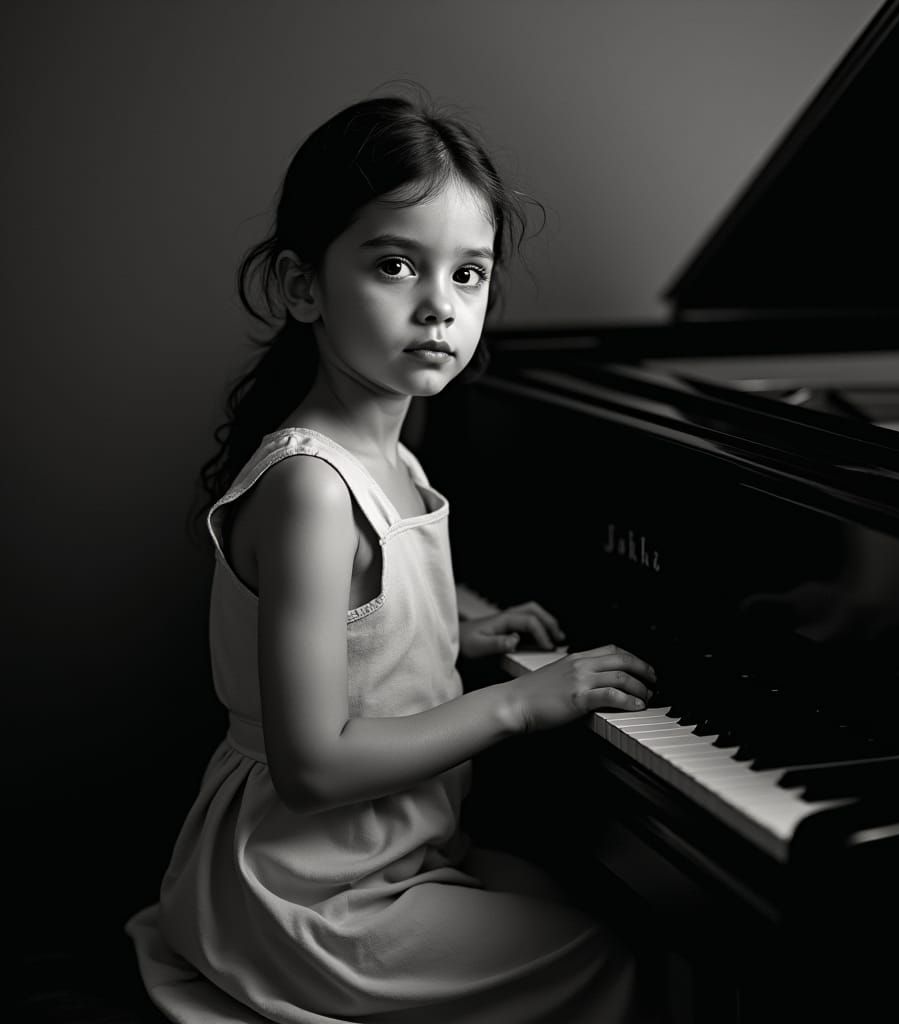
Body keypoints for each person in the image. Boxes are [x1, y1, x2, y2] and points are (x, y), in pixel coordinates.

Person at [126, 92, 660, 1024]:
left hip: (392, 851)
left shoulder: (394, 460)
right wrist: (523, 700)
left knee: (595, 904)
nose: (437, 307)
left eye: (469, 275)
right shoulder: (310, 489)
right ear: (302, 287)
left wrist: (462, 623)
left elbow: (369, 616)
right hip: (307, 888)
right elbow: (314, 766)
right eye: (395, 264)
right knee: (610, 957)